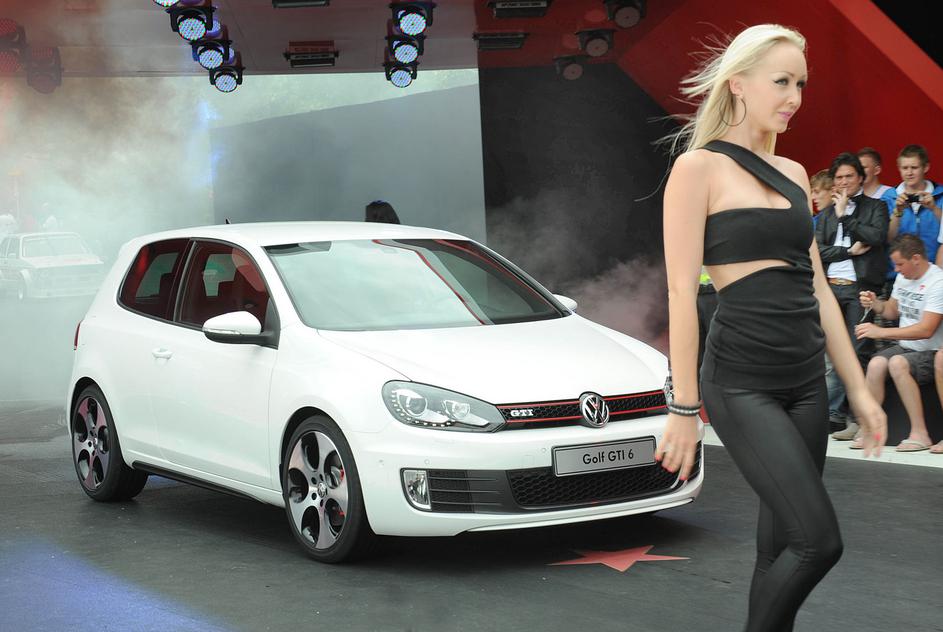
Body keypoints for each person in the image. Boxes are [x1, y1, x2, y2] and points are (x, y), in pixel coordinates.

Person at [660, 24, 886, 631]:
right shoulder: (698, 168)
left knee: (780, 547)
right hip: (741, 385)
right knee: (819, 542)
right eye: (782, 81)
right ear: (738, 84)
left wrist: (858, 389)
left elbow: (818, 289)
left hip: (806, 382)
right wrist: (683, 408)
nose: (795, 97)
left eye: (801, 84)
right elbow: (680, 293)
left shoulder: (793, 170)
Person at [815, 152, 889, 439]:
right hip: (830, 288)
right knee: (830, 352)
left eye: (849, 176)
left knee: (858, 352)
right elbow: (817, 251)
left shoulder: (876, 206)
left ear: (860, 177)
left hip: (861, 288)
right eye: (839, 177)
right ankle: (833, 414)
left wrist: (846, 216)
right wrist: (847, 251)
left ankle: (854, 417)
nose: (844, 182)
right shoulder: (825, 214)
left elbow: (876, 237)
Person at [855, 235, 943, 451]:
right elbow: (892, 311)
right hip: (905, 346)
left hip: (930, 349)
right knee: (876, 364)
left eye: (900, 264)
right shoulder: (903, 278)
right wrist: (875, 303)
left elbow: (926, 330)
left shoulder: (937, 282)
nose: (896, 270)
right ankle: (870, 429)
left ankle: (920, 433)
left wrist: (881, 332)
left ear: (916, 259)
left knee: (897, 363)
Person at [887, 144, 943, 264]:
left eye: (914, 167)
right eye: (905, 168)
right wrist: (898, 212)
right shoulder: (889, 197)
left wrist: (934, 208)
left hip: (934, 267)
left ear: (926, 167)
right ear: (899, 168)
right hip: (899, 269)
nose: (909, 172)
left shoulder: (941, 195)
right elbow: (887, 238)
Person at [856, 147, 897, 211]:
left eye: (863, 168)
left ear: (877, 170)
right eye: (857, 168)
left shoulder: (891, 194)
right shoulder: (853, 195)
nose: (859, 171)